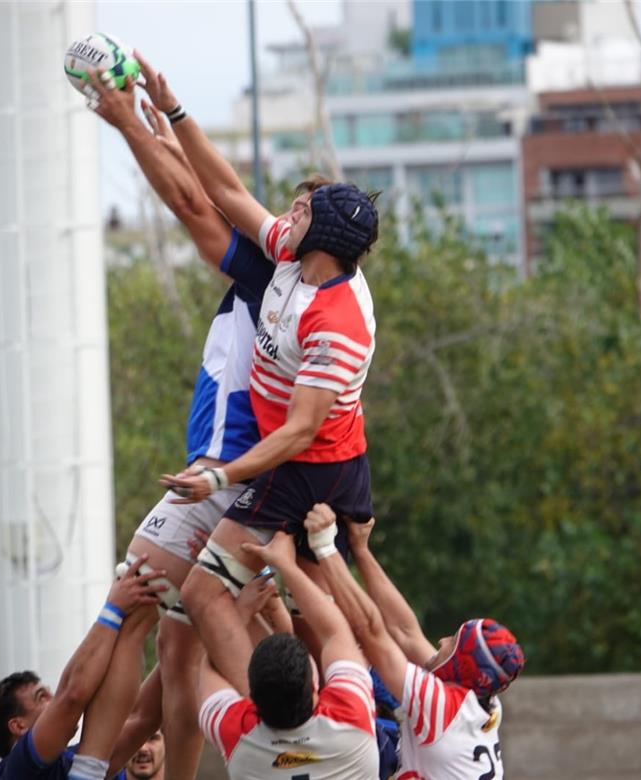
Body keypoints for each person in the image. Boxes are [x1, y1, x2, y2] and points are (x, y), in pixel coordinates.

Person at [131, 51, 383, 697]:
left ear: (320, 236)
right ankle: (317, 718)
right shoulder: (296, 259)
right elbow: (223, 192)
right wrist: (174, 109)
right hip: (295, 461)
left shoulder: (337, 322)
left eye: (301, 211)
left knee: (208, 596)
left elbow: (301, 432)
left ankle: (281, 725)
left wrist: (220, 475)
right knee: (297, 614)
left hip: (311, 470)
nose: (285, 214)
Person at [83, 67, 283, 780]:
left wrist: (128, 123)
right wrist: (160, 126)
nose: (278, 214)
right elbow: (207, 193)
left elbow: (195, 201)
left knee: (141, 610)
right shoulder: (300, 278)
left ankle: (298, 754)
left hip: (229, 481)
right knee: (172, 651)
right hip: (226, 476)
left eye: (297, 206)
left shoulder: (280, 276)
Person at [303, 504, 526, 780]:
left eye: (453, 641)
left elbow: (372, 631)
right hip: (426, 741)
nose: (442, 640)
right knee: (371, 671)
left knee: (351, 683)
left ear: (463, 666)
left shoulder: (442, 707)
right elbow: (406, 633)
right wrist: (360, 550)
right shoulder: (481, 700)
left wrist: (324, 546)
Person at [197, 530, 380, 779]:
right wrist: (285, 562)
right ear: (315, 685)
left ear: (251, 696)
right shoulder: (351, 714)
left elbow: (211, 664)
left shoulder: (237, 733)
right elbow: (335, 632)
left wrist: (241, 610)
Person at [0, 557, 168, 780]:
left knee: (132, 632)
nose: (53, 697)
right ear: (18, 726)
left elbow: (143, 719)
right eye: (41, 697)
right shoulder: (17, 771)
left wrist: (186, 632)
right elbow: (72, 694)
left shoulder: (72, 762)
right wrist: (113, 609)